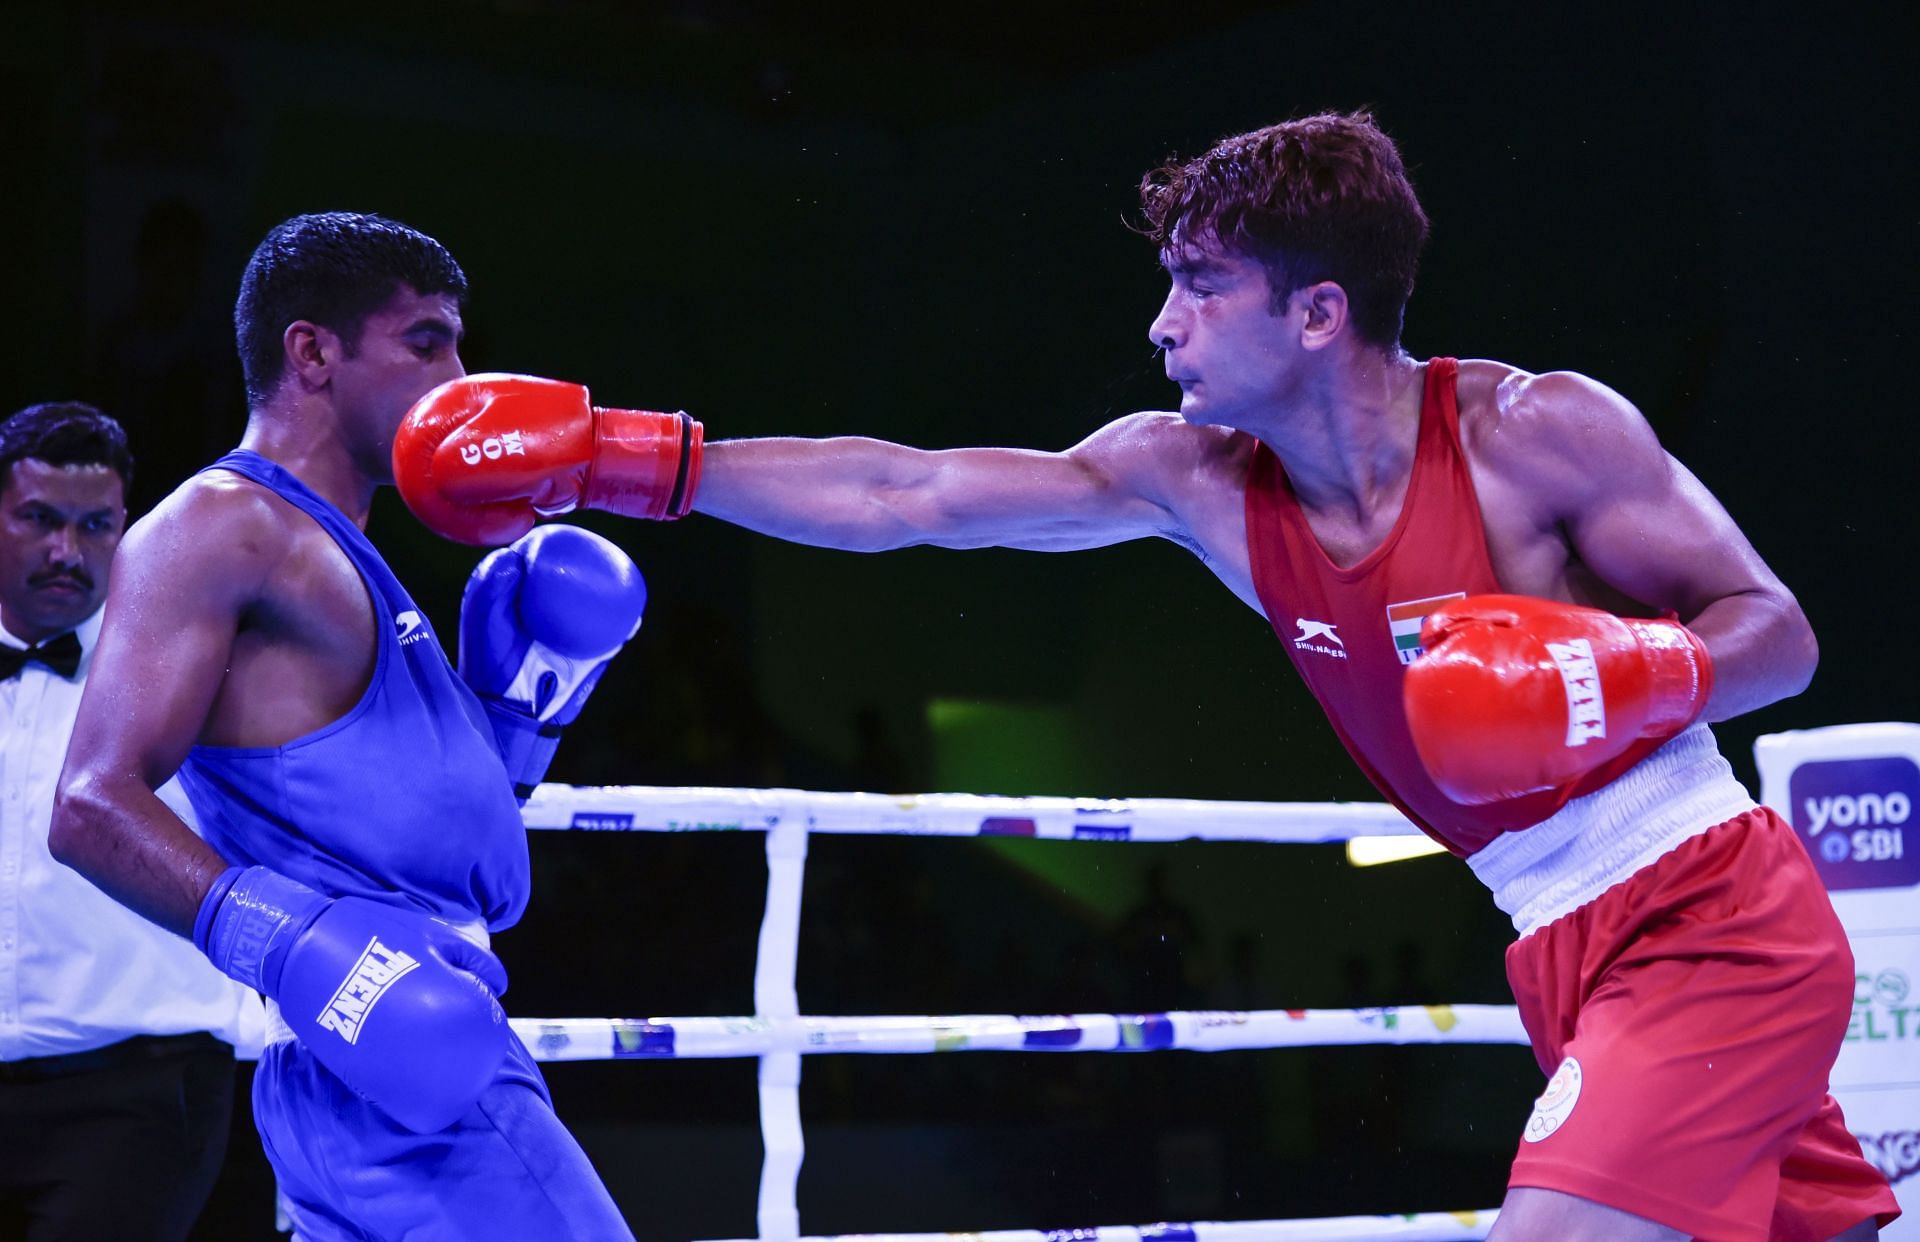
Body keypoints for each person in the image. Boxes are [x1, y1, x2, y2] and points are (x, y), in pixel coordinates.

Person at [394, 112, 1902, 1240]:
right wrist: (629, 462)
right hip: (1552, 937)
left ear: (1317, 312)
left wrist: (1607, 678)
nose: (1161, 321)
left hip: (1709, 918)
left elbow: (1776, 630)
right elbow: (908, 495)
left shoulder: (1535, 432)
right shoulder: (1193, 478)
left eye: (1202, 284)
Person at [48, 213, 642, 1241]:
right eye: (424, 340)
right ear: (312, 351)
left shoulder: (348, 552)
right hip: (386, 1046)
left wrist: (524, 709)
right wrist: (293, 946)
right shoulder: (223, 526)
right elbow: (91, 803)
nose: (457, 378)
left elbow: (422, 824)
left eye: (459, 345)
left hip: (408, 1044)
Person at [0, 401, 264, 1241]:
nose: (64, 552)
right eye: (38, 519)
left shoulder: (188, 669)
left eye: (94, 526)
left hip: (138, 1091)